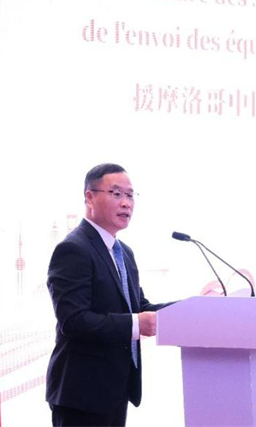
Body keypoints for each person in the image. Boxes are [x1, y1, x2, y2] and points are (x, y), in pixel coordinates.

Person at [46, 163, 171, 427]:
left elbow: (139, 306)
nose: (126, 203)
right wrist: (136, 324)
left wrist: (194, 307)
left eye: (130, 195)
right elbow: (74, 320)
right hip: (81, 394)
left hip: (115, 390)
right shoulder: (73, 249)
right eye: (116, 194)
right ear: (89, 197)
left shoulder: (123, 252)